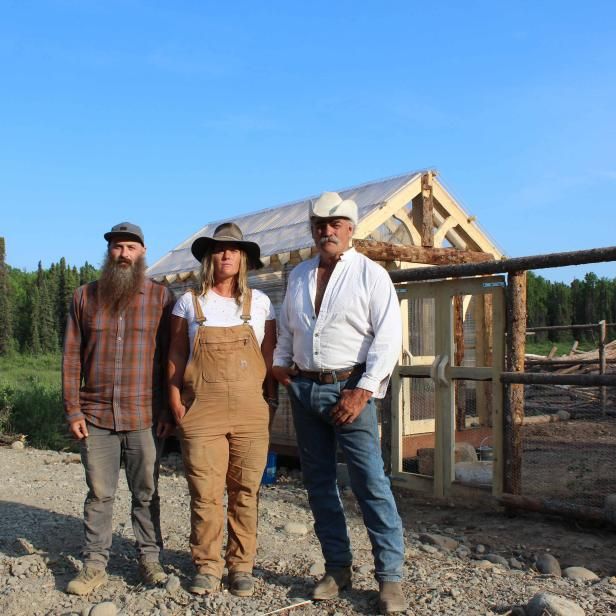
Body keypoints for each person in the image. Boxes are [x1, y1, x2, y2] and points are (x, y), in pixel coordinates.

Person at [272, 192, 407, 613]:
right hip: (306, 389)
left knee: (370, 481)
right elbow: (287, 330)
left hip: (350, 388)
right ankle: (338, 567)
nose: (326, 231)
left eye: (335, 224)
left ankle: (390, 578)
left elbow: (388, 338)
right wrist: (281, 367)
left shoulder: (370, 274)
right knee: (318, 482)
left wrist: (362, 390)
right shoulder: (298, 276)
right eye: (319, 225)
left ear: (350, 229)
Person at [62, 222, 175, 596]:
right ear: (108, 253)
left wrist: (166, 411)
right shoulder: (85, 297)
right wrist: (73, 410)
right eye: (116, 247)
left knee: (146, 492)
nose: (123, 254)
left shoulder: (162, 298)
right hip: (95, 415)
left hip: (144, 414)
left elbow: (168, 361)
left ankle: (149, 559)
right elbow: (71, 357)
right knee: (99, 493)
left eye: (130, 247)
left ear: (143, 253)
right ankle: (94, 564)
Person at [167, 222, 277, 597]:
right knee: (206, 492)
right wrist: (174, 400)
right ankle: (207, 566)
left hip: (250, 410)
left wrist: (271, 402)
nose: (226, 254)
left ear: (243, 257)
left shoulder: (260, 303)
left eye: (233, 249)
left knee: (246, 490)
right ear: (209, 257)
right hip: (202, 412)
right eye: (219, 249)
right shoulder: (189, 302)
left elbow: (270, 357)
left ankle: (241, 566)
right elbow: (177, 353)